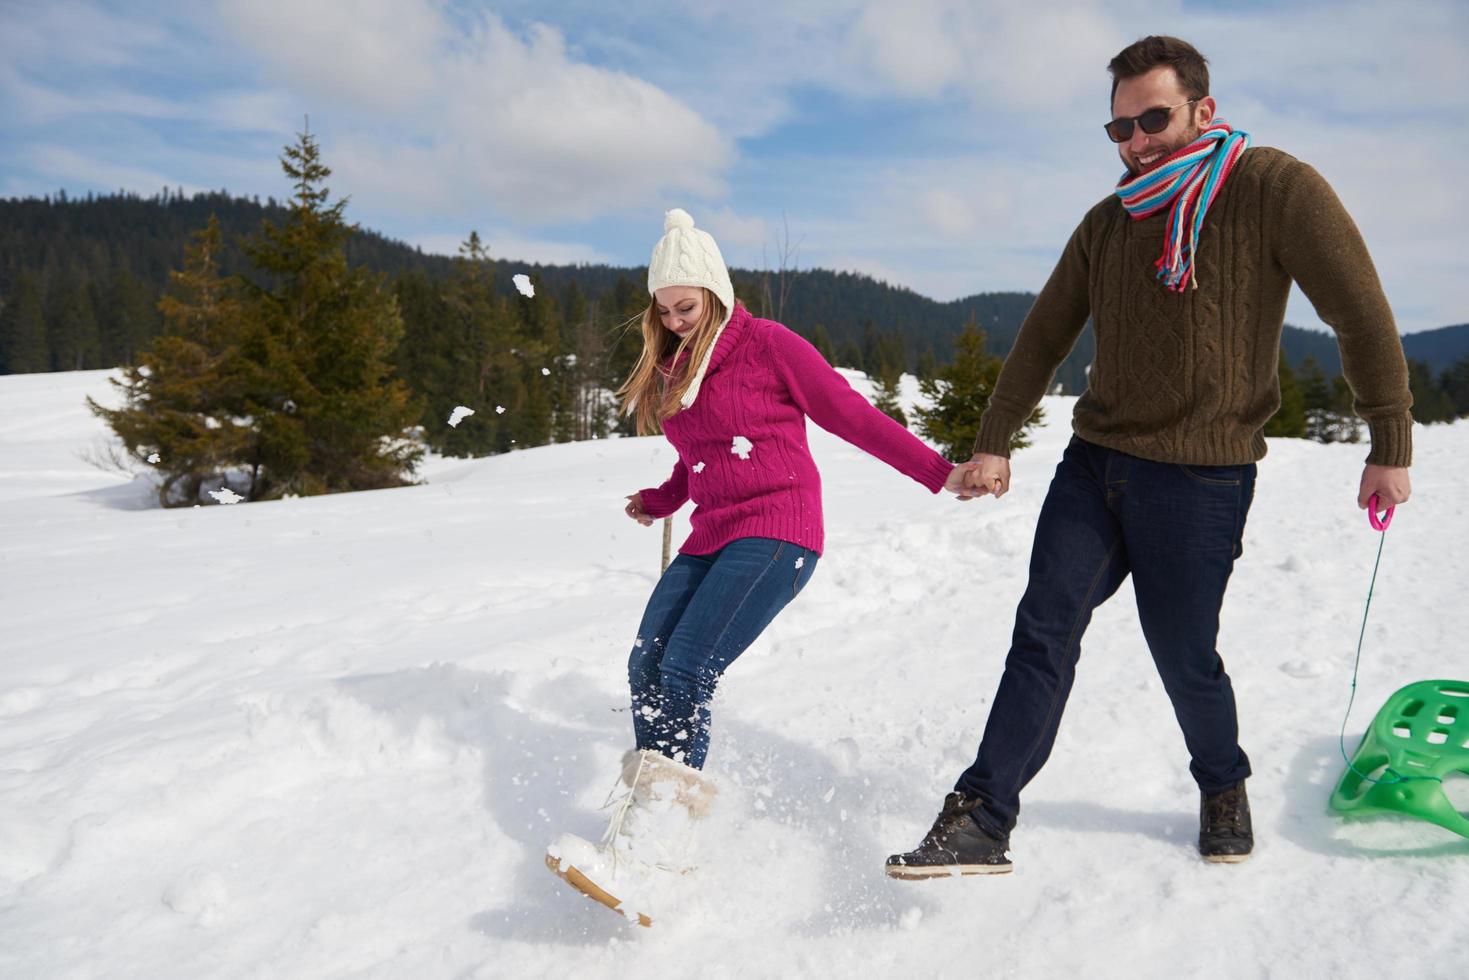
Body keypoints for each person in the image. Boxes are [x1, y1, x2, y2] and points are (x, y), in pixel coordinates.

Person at [885, 35, 1414, 877]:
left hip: (1201, 474)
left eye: (1153, 119)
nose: (1135, 141)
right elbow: (1041, 338)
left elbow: (1359, 310)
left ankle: (1220, 781)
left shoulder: (1274, 188)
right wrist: (993, 441)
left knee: (1181, 652)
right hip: (1096, 462)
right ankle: (983, 816)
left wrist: (1387, 439)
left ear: (1202, 109)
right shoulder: (1108, 222)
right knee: (1043, 628)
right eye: (1119, 128)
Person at [548, 208, 975, 918]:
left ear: (714, 293)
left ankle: (655, 838)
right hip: (712, 529)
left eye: (686, 306)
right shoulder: (675, 364)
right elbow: (700, 454)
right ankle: (650, 834)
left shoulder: (768, 345)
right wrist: (663, 496)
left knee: (686, 666)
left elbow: (850, 415)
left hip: (779, 527)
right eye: (664, 309)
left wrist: (939, 473)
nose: (675, 319)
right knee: (646, 662)